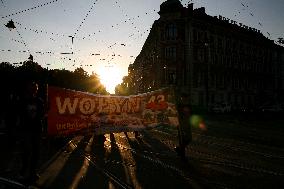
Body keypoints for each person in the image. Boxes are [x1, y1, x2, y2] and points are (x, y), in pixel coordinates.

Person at [17, 81, 45, 184]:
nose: (33, 90)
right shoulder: (22, 100)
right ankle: (23, 173)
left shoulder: (39, 101)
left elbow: (41, 115)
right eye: (31, 88)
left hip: (36, 130)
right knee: (26, 152)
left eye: (35, 89)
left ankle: (32, 173)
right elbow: (19, 114)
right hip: (26, 130)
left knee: (36, 153)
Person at [174, 94, 192, 161]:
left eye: (186, 98)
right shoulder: (179, 106)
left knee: (189, 138)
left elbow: (191, 114)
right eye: (183, 98)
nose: (184, 100)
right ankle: (182, 155)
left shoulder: (189, 106)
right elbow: (176, 114)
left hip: (187, 124)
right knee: (182, 140)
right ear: (181, 98)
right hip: (181, 125)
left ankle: (178, 149)